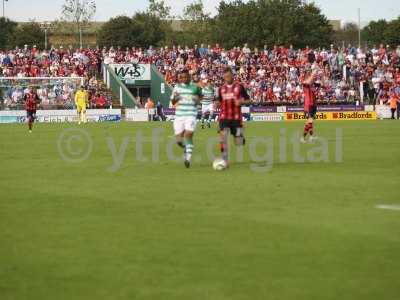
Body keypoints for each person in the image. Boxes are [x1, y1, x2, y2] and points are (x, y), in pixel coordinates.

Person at [215, 67, 251, 166]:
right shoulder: (221, 89)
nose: (227, 78)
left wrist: (242, 101)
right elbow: (218, 101)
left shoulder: (239, 87)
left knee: (238, 142)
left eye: (229, 76)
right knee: (223, 137)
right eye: (225, 77)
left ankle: (241, 137)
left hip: (236, 118)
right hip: (224, 117)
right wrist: (217, 104)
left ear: (232, 76)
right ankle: (224, 160)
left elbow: (249, 101)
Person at [171, 69, 202, 168]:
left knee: (188, 134)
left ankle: (187, 159)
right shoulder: (177, 87)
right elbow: (173, 101)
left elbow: (200, 97)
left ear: (189, 77)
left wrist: (197, 100)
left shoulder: (195, 87)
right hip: (179, 116)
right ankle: (185, 147)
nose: (184, 79)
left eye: (185, 77)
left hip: (191, 114)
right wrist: (176, 97)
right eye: (182, 77)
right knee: (179, 140)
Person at [301, 69, 318, 143]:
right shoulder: (305, 84)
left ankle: (307, 138)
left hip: (314, 104)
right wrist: (312, 75)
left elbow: (323, 84)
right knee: (310, 121)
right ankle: (307, 137)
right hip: (308, 105)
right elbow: (307, 82)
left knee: (309, 122)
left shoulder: (313, 84)